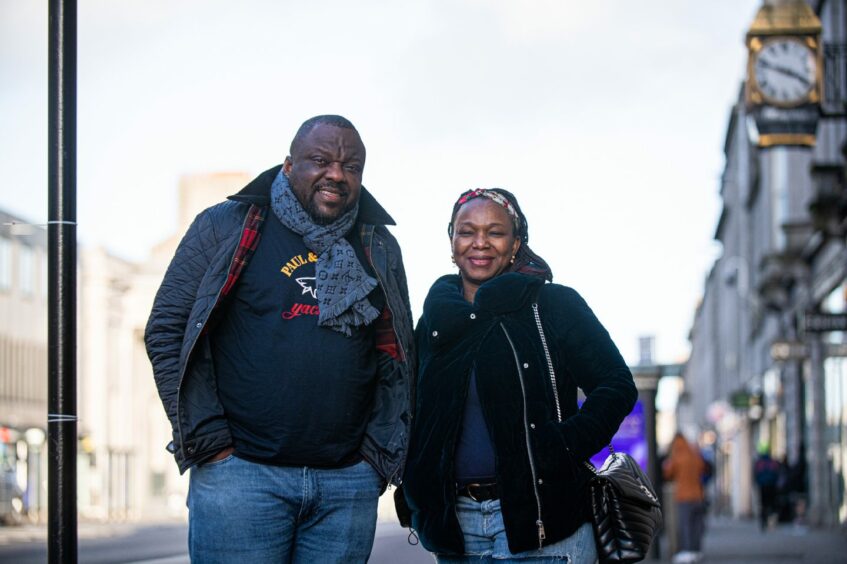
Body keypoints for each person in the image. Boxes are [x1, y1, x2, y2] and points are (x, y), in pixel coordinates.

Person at [145, 115, 414, 563]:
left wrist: (374, 459)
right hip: (241, 479)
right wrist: (210, 442)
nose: (336, 174)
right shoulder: (226, 226)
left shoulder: (378, 244)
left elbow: (396, 354)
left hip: (346, 485)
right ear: (289, 165)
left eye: (351, 166)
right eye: (321, 160)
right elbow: (168, 327)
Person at [401, 188, 638, 563]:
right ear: (452, 240)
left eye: (495, 232)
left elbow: (616, 385)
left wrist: (561, 445)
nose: (480, 243)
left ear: (515, 243)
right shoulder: (433, 321)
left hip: (547, 523)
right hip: (456, 530)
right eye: (467, 231)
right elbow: (411, 411)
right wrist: (416, 485)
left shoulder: (552, 304)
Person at [663, 433, 707, 563]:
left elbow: (668, 473)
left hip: (683, 497)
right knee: (696, 526)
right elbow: (702, 468)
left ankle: (687, 552)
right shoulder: (694, 454)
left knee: (685, 526)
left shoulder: (676, 456)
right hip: (698, 496)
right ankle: (696, 551)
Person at [753, 443, 782, 531]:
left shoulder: (759, 463)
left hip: (762, 486)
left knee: (763, 505)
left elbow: (755, 475)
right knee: (772, 504)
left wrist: (757, 483)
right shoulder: (772, 462)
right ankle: (771, 523)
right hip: (772, 486)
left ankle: (763, 522)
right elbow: (777, 473)